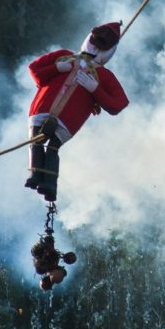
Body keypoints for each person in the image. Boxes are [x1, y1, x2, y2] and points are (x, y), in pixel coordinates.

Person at [25, 22, 129, 201]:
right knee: (35, 142)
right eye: (95, 43)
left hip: (67, 120)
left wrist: (95, 88)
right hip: (41, 110)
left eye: (101, 46)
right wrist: (57, 68)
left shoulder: (105, 76)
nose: (95, 48)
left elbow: (118, 104)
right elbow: (34, 69)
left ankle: (49, 184)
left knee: (52, 147)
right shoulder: (63, 56)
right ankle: (35, 175)